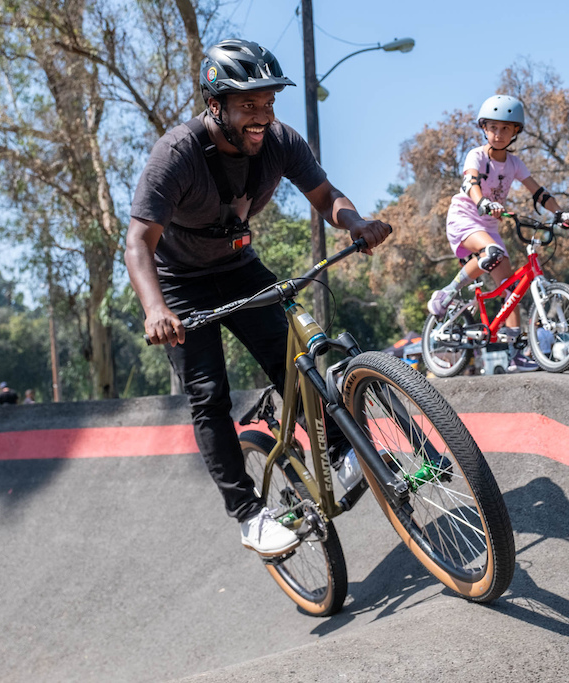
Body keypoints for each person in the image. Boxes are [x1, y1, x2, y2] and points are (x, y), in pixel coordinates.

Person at [124, 39, 391, 557]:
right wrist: (156, 309)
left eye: (269, 103)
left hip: (241, 269)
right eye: (249, 104)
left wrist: (355, 223)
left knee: (296, 358)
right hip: (180, 286)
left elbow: (326, 196)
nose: (262, 116)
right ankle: (249, 515)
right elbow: (138, 242)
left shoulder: (280, 142)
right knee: (208, 397)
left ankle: (338, 452)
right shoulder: (175, 155)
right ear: (215, 104)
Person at [425, 94, 569, 372]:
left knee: (511, 288)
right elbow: (471, 182)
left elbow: (539, 192)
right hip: (464, 217)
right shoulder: (477, 155)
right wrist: (482, 201)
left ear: (516, 131)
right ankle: (447, 292)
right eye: (493, 127)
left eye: (505, 128)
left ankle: (516, 352)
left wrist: (559, 213)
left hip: (489, 225)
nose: (498, 133)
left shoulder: (515, 164)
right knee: (492, 253)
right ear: (484, 128)